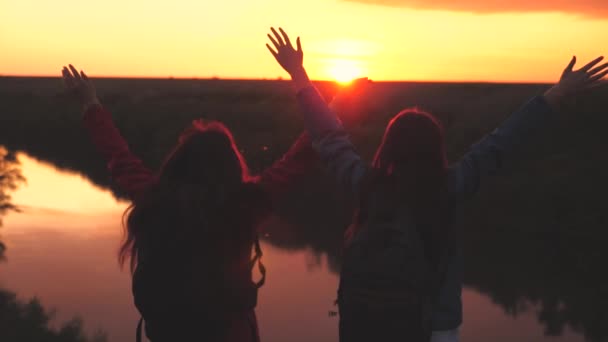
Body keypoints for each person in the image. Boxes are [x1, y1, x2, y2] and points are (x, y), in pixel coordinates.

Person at [265, 27, 608, 341]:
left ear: (389, 146)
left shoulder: (367, 186)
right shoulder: (450, 187)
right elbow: (502, 142)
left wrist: (299, 74)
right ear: (435, 148)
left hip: (364, 326)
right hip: (435, 330)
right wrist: (558, 94)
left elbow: (330, 140)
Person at [60, 64, 370, 342]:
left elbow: (118, 156)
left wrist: (90, 104)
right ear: (231, 166)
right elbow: (301, 156)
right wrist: (335, 105)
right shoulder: (245, 205)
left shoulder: (155, 198)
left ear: (179, 162)